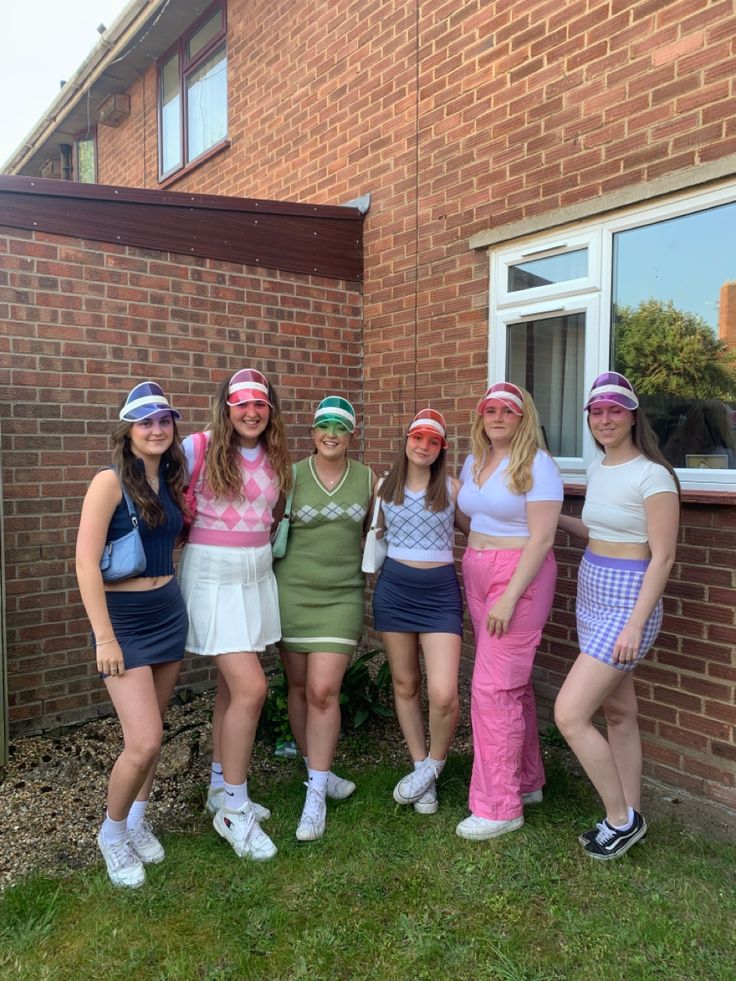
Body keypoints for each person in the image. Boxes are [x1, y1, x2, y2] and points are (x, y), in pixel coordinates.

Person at [555, 371, 680, 860]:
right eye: (597, 412)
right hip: (593, 591)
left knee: (569, 713)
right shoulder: (600, 468)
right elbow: (593, 529)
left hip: (630, 599)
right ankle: (633, 812)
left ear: (632, 416)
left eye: (615, 410)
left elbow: (663, 557)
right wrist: (547, 521)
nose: (605, 419)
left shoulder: (653, 475)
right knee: (620, 713)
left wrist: (634, 625)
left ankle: (618, 820)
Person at [76, 381, 189, 889]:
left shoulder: (168, 479)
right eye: (146, 422)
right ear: (128, 430)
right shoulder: (108, 481)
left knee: (156, 729)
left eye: (164, 420)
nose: (157, 429)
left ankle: (139, 821)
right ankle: (112, 833)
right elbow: (84, 562)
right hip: (123, 622)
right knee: (142, 742)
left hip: (167, 612)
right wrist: (104, 637)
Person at [179, 368, 292, 861]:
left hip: (255, 574)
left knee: (230, 689)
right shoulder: (197, 447)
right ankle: (235, 808)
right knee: (251, 688)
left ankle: (218, 789)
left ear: (271, 410)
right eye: (241, 403)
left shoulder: (275, 454)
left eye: (260, 405)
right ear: (227, 407)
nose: (251, 413)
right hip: (213, 576)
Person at [455, 382, 563, 841]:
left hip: (518, 577)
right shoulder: (475, 461)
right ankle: (527, 780)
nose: (497, 417)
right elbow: (474, 519)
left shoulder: (538, 464)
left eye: (508, 411)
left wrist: (509, 595)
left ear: (523, 418)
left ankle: (499, 807)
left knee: (492, 690)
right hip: (478, 570)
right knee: (511, 686)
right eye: (489, 409)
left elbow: (542, 538)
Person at [274, 396, 374, 841]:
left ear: (353, 435)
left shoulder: (368, 479)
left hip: (341, 596)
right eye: (323, 425)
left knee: (322, 690)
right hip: (291, 594)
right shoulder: (289, 476)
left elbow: (378, 530)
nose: (331, 433)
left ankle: (315, 795)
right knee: (297, 687)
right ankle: (317, 768)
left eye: (341, 426)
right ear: (312, 432)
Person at [372, 409, 463, 816]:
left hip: (440, 594)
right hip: (394, 591)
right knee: (406, 684)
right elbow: (369, 539)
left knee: (443, 693)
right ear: (406, 441)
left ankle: (432, 768)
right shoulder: (382, 487)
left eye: (433, 441)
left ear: (441, 449)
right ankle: (418, 764)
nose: (423, 446)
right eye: (417, 438)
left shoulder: (453, 488)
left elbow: (480, 533)